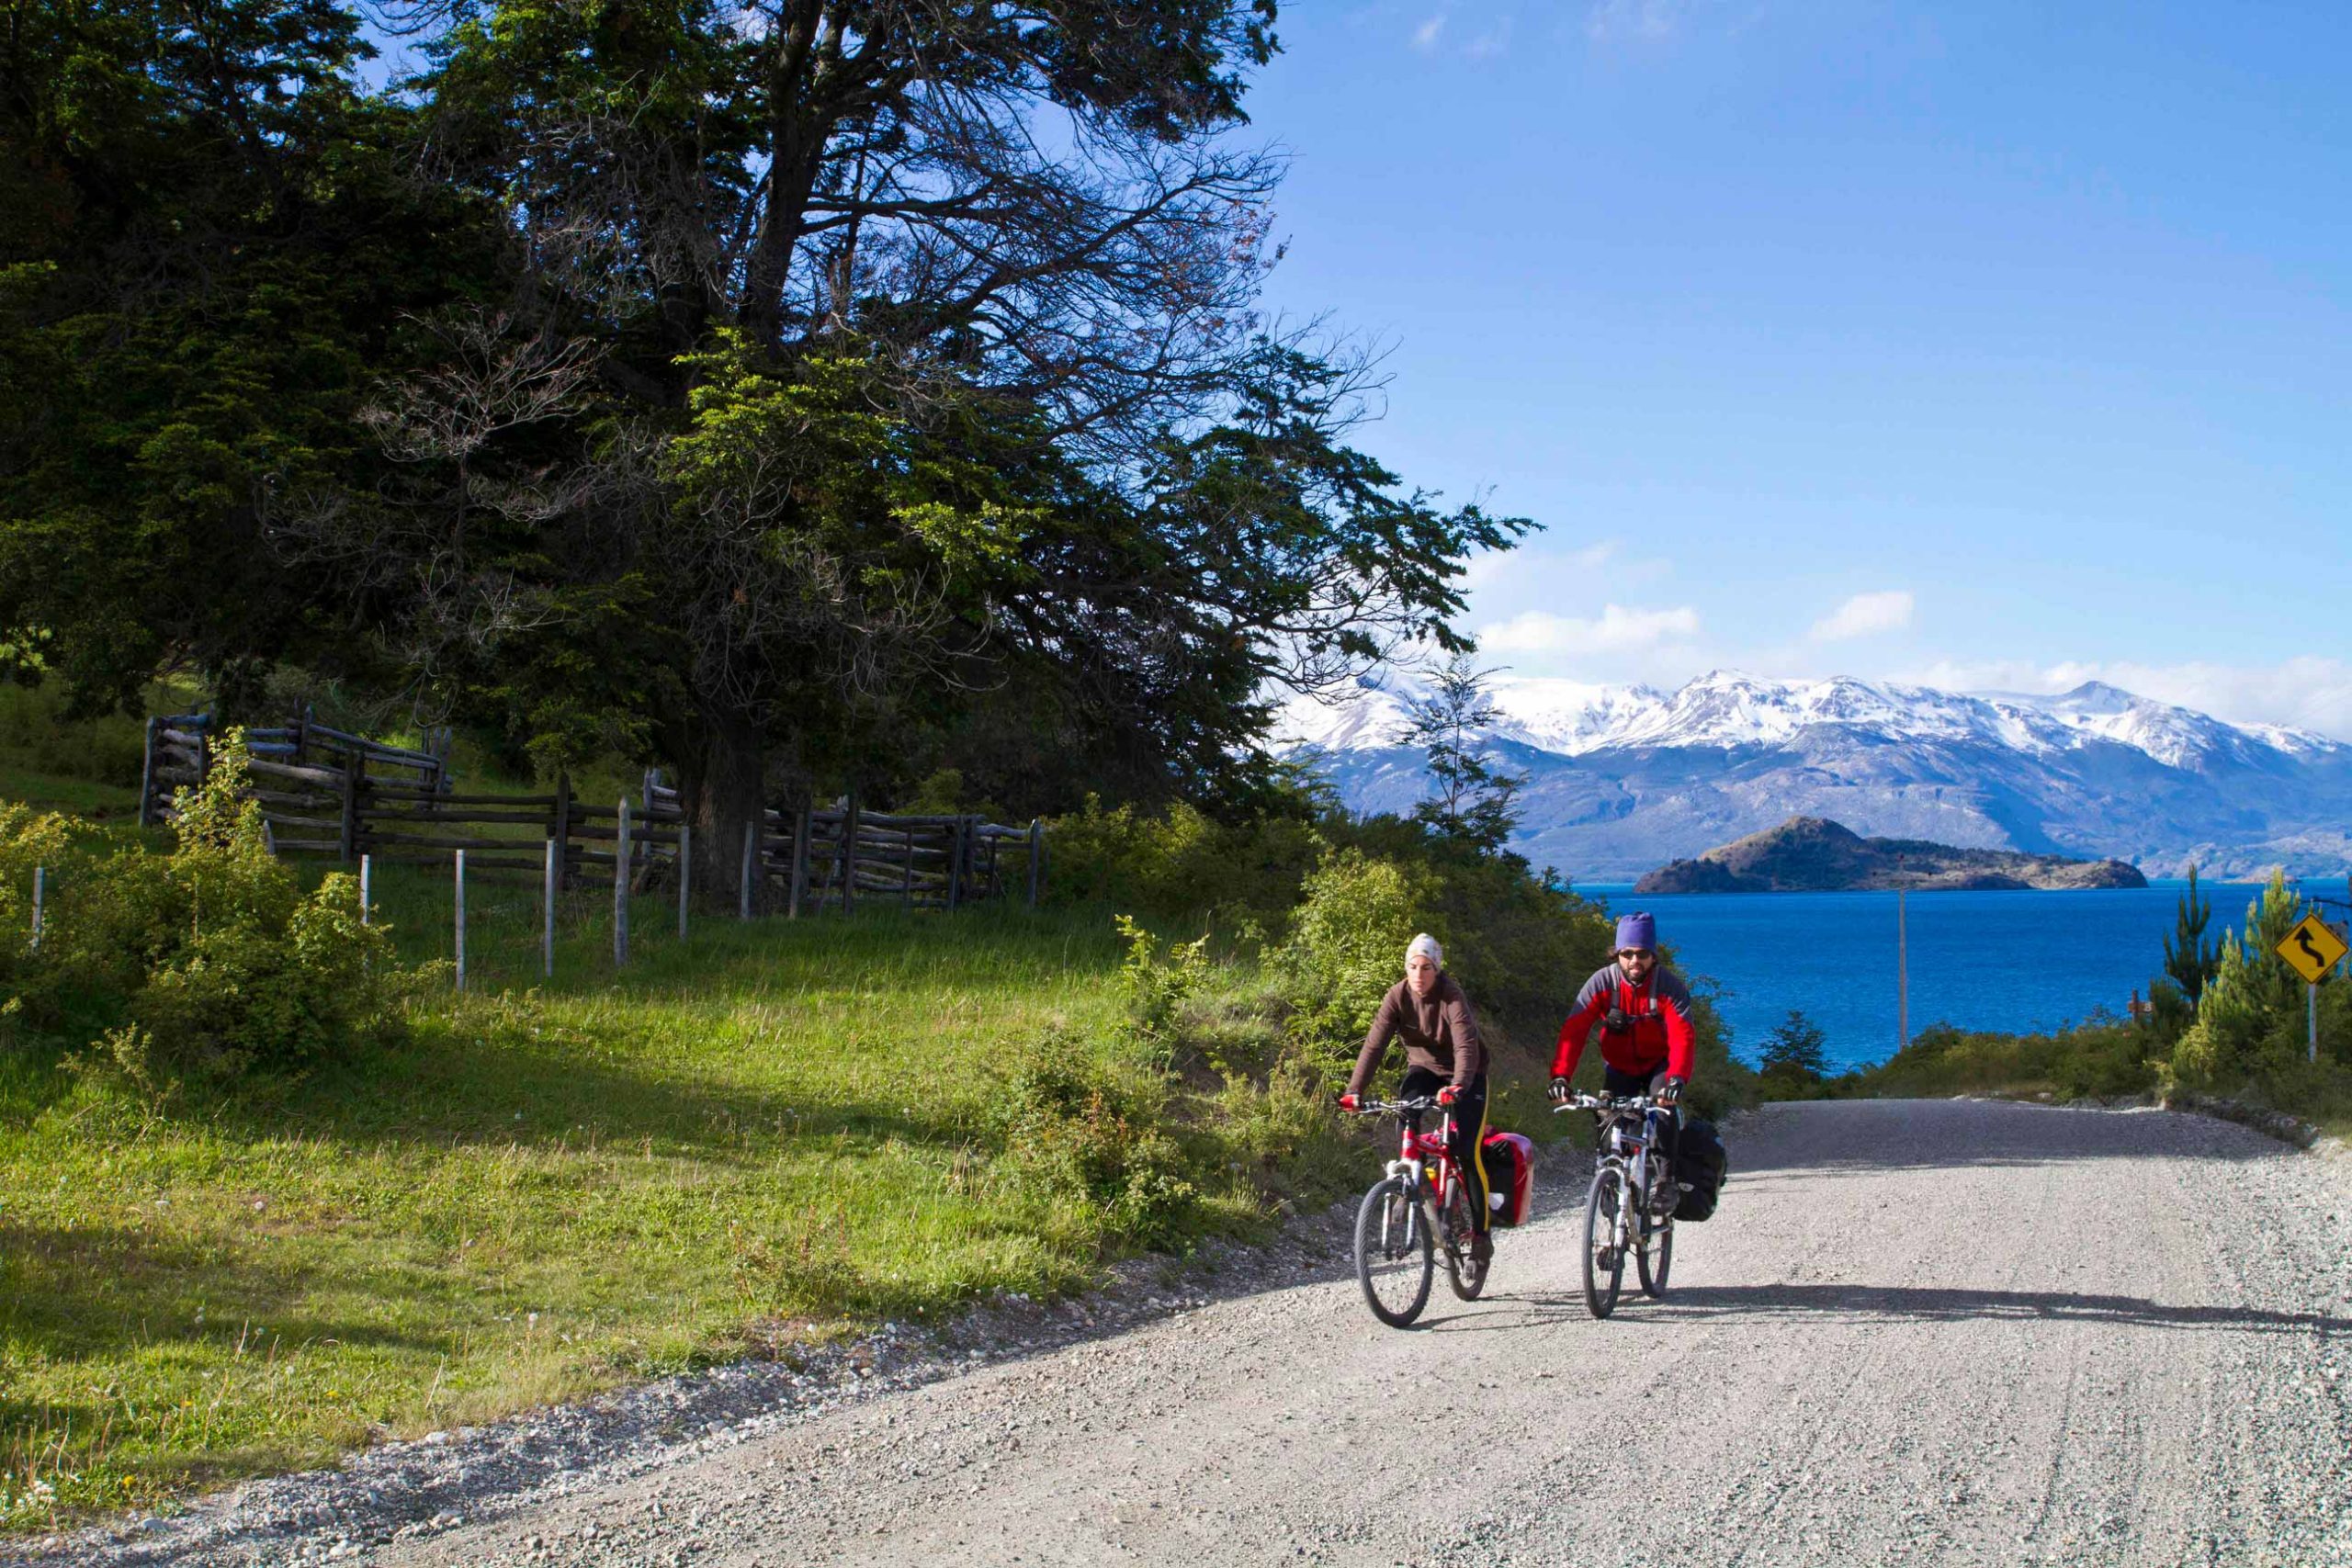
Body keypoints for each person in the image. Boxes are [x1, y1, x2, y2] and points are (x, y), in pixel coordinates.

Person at [1338, 932, 1493, 1264]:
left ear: (1437, 970)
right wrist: (1355, 1090)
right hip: (1424, 1070)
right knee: (1405, 1113)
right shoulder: (1397, 996)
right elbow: (1374, 1044)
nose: (1419, 975)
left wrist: (1460, 1085)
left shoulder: (1451, 996)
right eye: (1412, 967)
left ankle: (1481, 1235)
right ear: (1405, 968)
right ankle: (1416, 1179)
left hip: (1468, 1074)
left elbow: (1466, 1046)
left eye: (1426, 968)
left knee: (1467, 1151)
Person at [1548, 911, 1695, 1178]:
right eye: (1627, 954)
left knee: (1663, 1116)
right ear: (1616, 954)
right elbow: (1574, 1031)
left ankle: (1665, 1184)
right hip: (1619, 1067)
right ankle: (1610, 1184)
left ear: (1653, 955)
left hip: (1658, 1065)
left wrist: (1676, 1080)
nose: (1634, 961)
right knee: (1608, 1124)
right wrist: (1560, 1076)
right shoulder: (1602, 983)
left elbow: (1682, 1036)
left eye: (1641, 954)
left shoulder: (1669, 987)